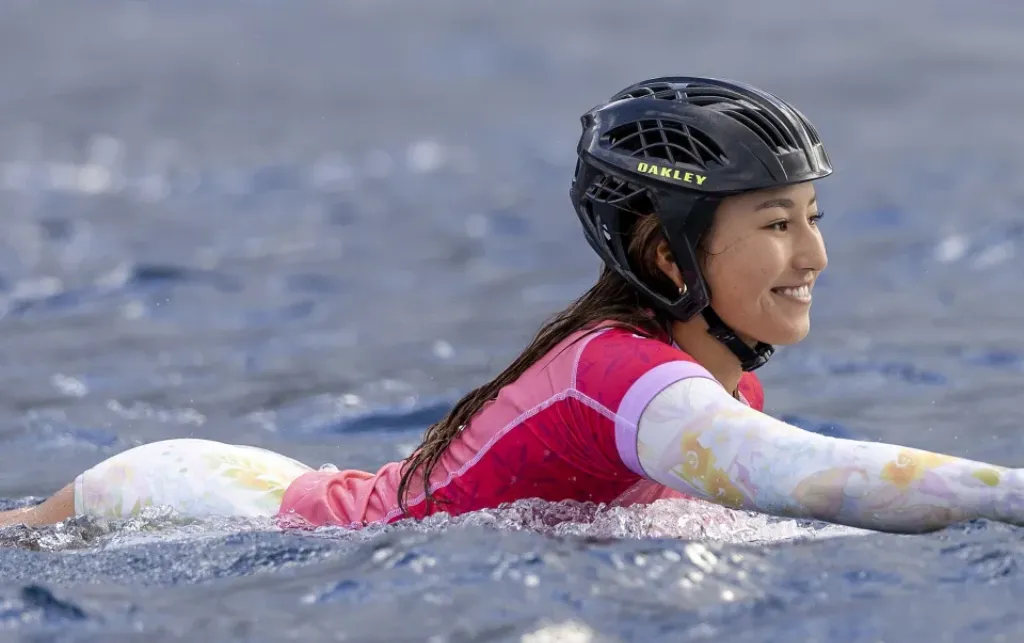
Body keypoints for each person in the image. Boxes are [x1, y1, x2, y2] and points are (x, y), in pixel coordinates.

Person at [2, 76, 1022, 535]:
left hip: (273, 490)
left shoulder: (715, 392)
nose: (815, 255)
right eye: (776, 223)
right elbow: (808, 481)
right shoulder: (624, 376)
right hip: (195, 505)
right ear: (662, 248)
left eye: (812, 217)